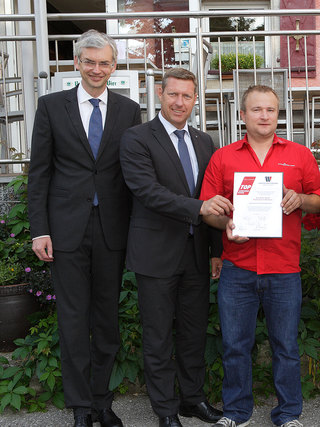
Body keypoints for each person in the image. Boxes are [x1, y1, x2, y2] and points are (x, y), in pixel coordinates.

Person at [28, 29, 141, 427]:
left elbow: (134, 175)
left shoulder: (129, 110)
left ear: (114, 66)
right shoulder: (51, 106)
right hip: (65, 230)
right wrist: (39, 229)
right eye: (89, 62)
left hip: (112, 229)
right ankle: (80, 407)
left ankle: (102, 401)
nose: (97, 69)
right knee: (73, 320)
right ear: (76, 64)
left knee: (107, 320)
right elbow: (39, 172)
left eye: (104, 63)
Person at [199, 85, 320, 427]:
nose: (264, 116)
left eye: (270, 109)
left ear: (278, 113)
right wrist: (225, 223)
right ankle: (236, 412)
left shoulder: (299, 154)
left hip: (284, 268)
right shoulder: (223, 156)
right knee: (235, 346)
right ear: (243, 115)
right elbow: (208, 208)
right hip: (238, 267)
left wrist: (300, 198)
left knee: (286, 346)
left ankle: (287, 414)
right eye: (256, 110)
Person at [119, 68, 223, 427]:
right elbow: (146, 190)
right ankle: (165, 410)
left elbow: (210, 196)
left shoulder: (204, 142)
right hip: (155, 253)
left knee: (194, 333)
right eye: (173, 94)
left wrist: (217, 251)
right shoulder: (136, 139)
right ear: (160, 95)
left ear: (196, 99)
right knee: (158, 335)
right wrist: (198, 209)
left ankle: (192, 399)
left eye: (187, 96)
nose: (180, 102)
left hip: (196, 255)